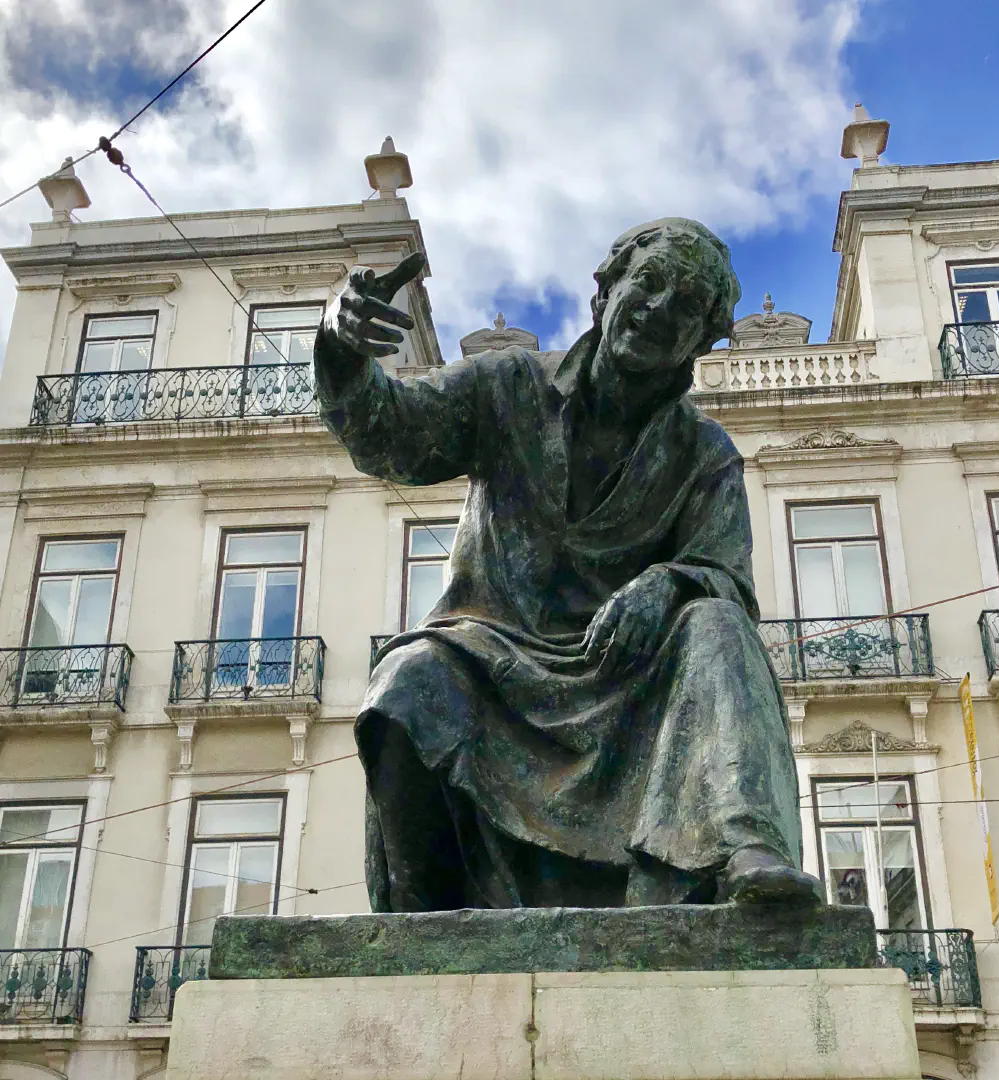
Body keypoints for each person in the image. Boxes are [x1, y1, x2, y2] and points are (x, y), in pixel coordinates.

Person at [314, 218, 823, 911]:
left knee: (717, 626)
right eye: (646, 285)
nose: (656, 311)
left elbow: (725, 577)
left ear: (699, 343)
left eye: (684, 307)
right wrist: (340, 350)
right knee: (409, 679)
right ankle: (422, 928)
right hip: (490, 662)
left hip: (625, 681)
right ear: (607, 290)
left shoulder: (706, 454)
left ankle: (747, 850)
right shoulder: (505, 386)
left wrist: (667, 583)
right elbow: (391, 437)